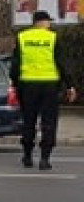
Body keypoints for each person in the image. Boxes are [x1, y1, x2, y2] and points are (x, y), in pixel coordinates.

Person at [10, 10, 77, 170]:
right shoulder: (53, 37)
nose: (49, 24)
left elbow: (15, 64)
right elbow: (61, 63)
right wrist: (70, 85)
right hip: (49, 85)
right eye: (48, 21)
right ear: (43, 22)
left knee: (28, 121)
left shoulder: (22, 37)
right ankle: (44, 159)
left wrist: (15, 83)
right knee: (49, 122)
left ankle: (27, 156)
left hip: (28, 85)